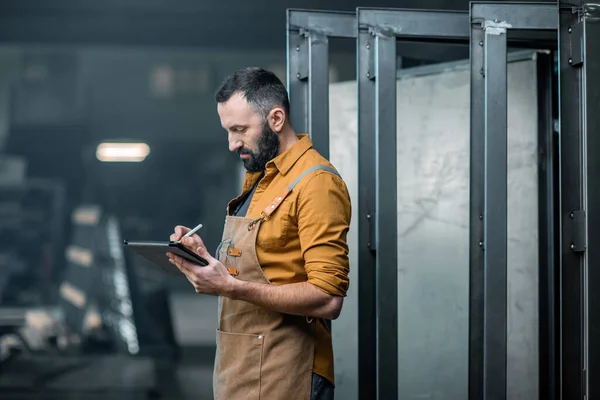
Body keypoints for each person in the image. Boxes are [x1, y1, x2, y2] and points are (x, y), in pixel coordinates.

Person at [166, 67, 351, 400]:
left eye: (239, 130)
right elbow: (260, 263)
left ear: (276, 119)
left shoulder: (316, 183)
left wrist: (231, 287)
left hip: (288, 372)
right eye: (227, 130)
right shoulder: (260, 178)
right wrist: (201, 257)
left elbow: (327, 298)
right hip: (241, 367)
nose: (231, 143)